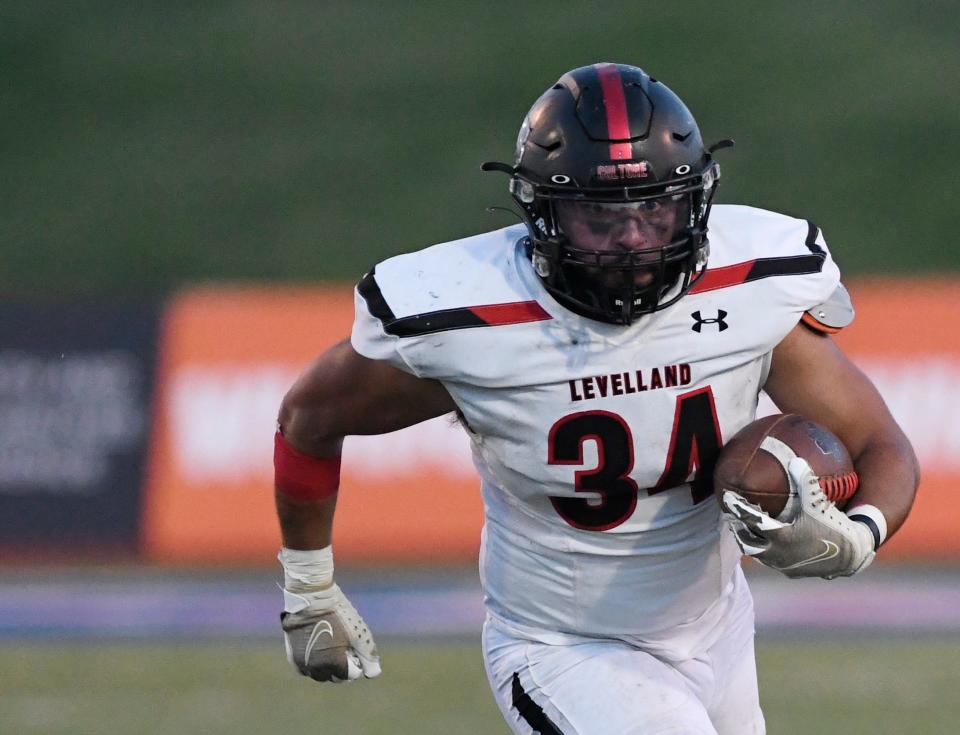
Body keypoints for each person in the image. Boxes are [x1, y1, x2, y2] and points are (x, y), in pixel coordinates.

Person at [272, 63, 919, 734]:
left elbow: (881, 443)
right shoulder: (470, 320)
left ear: (695, 200)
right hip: (563, 646)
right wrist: (308, 585)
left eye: (656, 207)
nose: (633, 237)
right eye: (598, 216)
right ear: (543, 214)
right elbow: (308, 420)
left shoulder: (749, 287)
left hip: (718, 626)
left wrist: (859, 532)